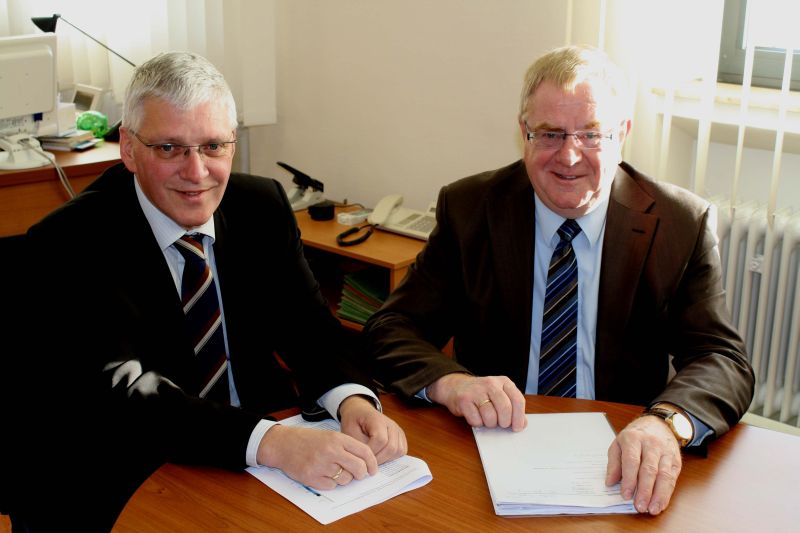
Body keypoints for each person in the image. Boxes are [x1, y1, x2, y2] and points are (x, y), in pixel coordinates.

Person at [8, 51, 406, 531]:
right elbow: (128, 394)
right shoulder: (69, 242)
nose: (196, 173)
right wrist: (273, 442)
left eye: (213, 146)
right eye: (170, 148)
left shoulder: (262, 205)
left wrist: (351, 400)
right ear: (129, 150)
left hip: (259, 467)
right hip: (125, 472)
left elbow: (311, 330)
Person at [363, 45, 754, 516]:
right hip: (493, 449)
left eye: (592, 134)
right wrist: (452, 383)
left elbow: (722, 357)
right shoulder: (471, 209)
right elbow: (391, 328)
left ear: (622, 134)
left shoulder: (678, 223)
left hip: (620, 464)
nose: (569, 156)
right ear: (523, 133)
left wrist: (666, 423)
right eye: (550, 134)